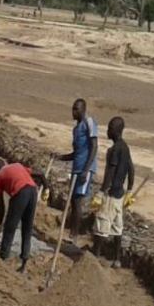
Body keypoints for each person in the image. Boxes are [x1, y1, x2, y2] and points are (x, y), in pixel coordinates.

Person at [57, 98, 99, 248]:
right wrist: (61, 157)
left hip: (84, 169)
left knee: (77, 201)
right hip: (76, 168)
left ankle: (74, 236)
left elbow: (94, 146)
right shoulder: (76, 129)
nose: (73, 112)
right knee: (74, 202)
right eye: (73, 108)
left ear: (83, 109)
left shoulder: (89, 123)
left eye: (76, 109)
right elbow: (76, 153)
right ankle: (72, 235)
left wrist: (86, 169)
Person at [0, 158, 46, 272]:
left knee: (9, 228)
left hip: (20, 192)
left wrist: (0, 224)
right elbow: (40, 174)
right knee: (27, 228)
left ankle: (2, 259)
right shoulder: (17, 165)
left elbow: (1, 206)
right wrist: (47, 188)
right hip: (33, 191)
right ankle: (24, 264)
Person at [93, 116, 134, 267]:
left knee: (101, 224)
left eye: (109, 128)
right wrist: (129, 190)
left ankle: (94, 257)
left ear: (116, 131)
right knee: (117, 228)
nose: (107, 131)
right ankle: (117, 259)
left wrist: (101, 192)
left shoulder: (115, 150)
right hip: (120, 195)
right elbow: (131, 169)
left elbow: (110, 173)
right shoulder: (125, 147)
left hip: (111, 194)